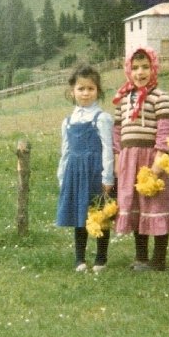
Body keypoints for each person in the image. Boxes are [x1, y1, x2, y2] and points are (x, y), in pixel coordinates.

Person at [112, 47, 169, 271]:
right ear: (128, 70)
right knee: (135, 207)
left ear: (154, 68)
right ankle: (141, 258)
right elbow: (117, 132)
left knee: (156, 205)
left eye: (145, 67)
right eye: (135, 68)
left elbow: (165, 132)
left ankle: (159, 259)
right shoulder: (123, 99)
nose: (140, 72)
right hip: (128, 160)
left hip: (151, 159)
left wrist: (158, 164)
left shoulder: (161, 97)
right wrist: (118, 159)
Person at [57, 65, 114, 272]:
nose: (85, 93)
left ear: (98, 91)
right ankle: (79, 258)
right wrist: (62, 176)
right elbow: (65, 151)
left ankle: (101, 257)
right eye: (81, 88)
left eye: (90, 88)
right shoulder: (68, 121)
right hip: (75, 172)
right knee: (79, 214)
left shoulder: (102, 118)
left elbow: (108, 148)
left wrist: (107, 177)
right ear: (72, 91)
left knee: (99, 213)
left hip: (95, 172)